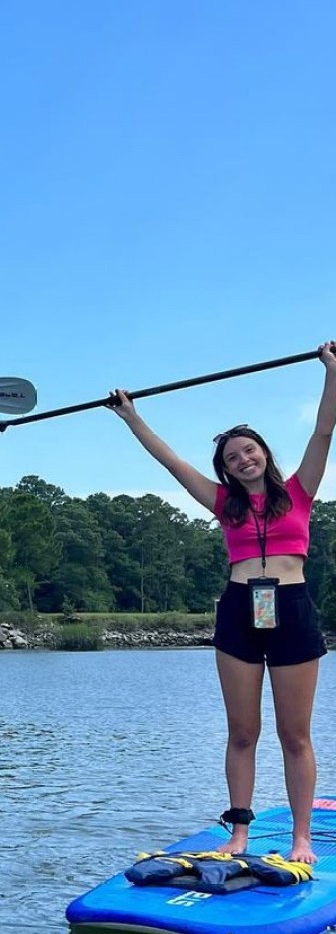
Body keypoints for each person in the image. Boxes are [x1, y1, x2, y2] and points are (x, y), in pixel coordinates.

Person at [108, 341, 336, 863]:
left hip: (292, 607)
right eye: (233, 458)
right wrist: (130, 417)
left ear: (264, 454)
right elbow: (172, 463)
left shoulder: (300, 490)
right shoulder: (221, 502)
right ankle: (239, 832)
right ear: (228, 470)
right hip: (238, 609)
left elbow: (324, 430)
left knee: (294, 734)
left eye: (249, 451)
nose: (243, 459)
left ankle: (302, 837)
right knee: (242, 732)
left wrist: (332, 372)